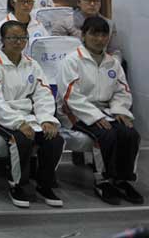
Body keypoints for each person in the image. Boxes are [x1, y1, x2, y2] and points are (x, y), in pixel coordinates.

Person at [59, 17, 142, 205]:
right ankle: (102, 180)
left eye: (104, 35)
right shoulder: (72, 61)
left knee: (130, 133)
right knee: (106, 134)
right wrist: (94, 116)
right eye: (94, 34)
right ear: (83, 35)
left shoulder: (113, 63)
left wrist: (119, 110)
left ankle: (122, 179)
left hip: (106, 110)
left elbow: (122, 91)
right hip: (75, 112)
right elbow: (71, 96)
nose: (99, 39)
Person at [0, 20, 63, 208]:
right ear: (3, 39)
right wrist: (18, 123)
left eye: (22, 38)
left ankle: (45, 184)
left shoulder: (33, 65)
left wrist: (46, 119)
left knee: (54, 139)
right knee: (20, 139)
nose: (18, 42)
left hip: (27, 114)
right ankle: (17, 184)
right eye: (13, 38)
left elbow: (43, 94)